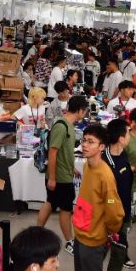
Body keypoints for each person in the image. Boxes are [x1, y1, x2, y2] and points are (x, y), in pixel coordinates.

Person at [61, 124, 124, 271]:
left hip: (94, 239)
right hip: (81, 233)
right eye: (84, 140)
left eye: (91, 142)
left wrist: (107, 232)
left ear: (102, 147)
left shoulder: (105, 175)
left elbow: (115, 213)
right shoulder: (88, 166)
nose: (85, 145)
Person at [37, 95, 88, 254]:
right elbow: (53, 152)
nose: (85, 114)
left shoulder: (69, 126)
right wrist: (52, 177)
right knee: (66, 209)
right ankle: (69, 241)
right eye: (85, 111)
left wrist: (72, 168)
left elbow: (65, 152)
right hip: (60, 177)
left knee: (50, 202)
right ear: (80, 110)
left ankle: (37, 233)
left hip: (64, 173)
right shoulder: (62, 126)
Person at [102, 119, 135, 271]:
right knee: (101, 250)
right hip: (110, 216)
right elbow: (105, 196)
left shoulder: (123, 154)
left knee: (120, 250)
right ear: (121, 138)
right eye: (128, 133)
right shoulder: (105, 161)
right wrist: (112, 210)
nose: (130, 136)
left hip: (124, 212)